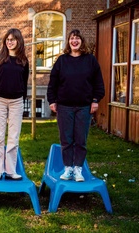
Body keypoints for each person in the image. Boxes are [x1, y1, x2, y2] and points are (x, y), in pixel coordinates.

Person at [47, 29, 105, 182]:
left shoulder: (90, 60)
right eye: (72, 38)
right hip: (64, 106)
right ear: (68, 42)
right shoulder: (62, 60)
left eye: (77, 38)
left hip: (84, 106)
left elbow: (98, 83)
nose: (74, 41)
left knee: (81, 139)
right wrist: (52, 100)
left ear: (81, 41)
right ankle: (68, 169)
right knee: (66, 139)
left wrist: (95, 100)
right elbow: (53, 82)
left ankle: (78, 169)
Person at [0, 28, 30, 180]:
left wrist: (23, 102)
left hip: (17, 101)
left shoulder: (23, 61)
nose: (10, 42)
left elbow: (24, 83)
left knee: (13, 136)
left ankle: (11, 170)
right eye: (7, 39)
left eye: (13, 39)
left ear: (19, 41)